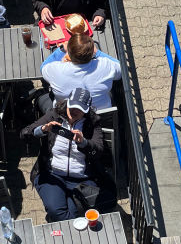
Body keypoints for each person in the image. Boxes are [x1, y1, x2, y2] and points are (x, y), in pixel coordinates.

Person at [20, 87, 114, 222]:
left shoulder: (92, 123)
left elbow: (98, 151)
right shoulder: (54, 115)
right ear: (68, 102)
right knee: (61, 212)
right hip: (53, 174)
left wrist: (84, 143)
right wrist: (42, 130)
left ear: (86, 111)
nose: (75, 111)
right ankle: (61, 218)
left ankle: (58, 221)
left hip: (81, 179)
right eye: (73, 106)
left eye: (80, 109)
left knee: (65, 214)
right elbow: (24, 134)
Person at [41, 31, 121, 110]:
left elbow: (43, 68)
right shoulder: (105, 65)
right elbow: (121, 69)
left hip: (67, 115)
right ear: (91, 53)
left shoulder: (56, 70)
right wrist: (98, 53)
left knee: (41, 98)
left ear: (69, 54)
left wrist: (61, 50)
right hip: (101, 116)